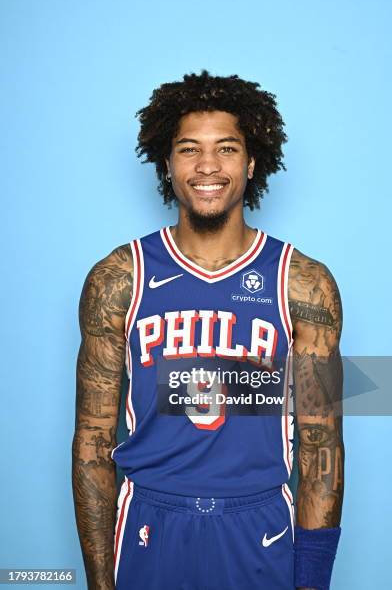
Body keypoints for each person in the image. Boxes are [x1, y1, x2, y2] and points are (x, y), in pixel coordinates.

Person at [72, 70, 344, 590]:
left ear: (252, 160)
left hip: (260, 525)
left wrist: (312, 581)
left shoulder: (303, 285)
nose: (208, 166)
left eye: (227, 148)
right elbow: (92, 440)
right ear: (168, 163)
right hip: (150, 523)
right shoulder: (120, 277)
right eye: (189, 149)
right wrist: (100, 583)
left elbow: (320, 444)